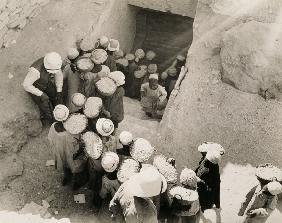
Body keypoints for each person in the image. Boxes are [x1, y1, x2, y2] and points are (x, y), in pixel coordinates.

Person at [48, 105, 87, 190]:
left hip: (59, 153)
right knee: (76, 168)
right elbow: (76, 145)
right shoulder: (71, 132)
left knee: (65, 165)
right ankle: (77, 183)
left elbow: (50, 140)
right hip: (71, 155)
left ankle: (67, 178)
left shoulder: (53, 126)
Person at [23, 52, 64, 124]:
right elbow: (26, 85)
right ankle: (50, 118)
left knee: (54, 94)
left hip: (45, 82)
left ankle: (55, 106)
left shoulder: (54, 62)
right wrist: (41, 94)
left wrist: (59, 91)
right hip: (35, 86)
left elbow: (59, 75)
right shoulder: (35, 71)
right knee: (44, 103)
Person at [82, 131, 105, 210]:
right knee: (99, 183)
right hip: (101, 169)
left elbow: (85, 158)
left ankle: (96, 200)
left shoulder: (90, 153)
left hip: (94, 170)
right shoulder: (102, 150)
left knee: (95, 184)